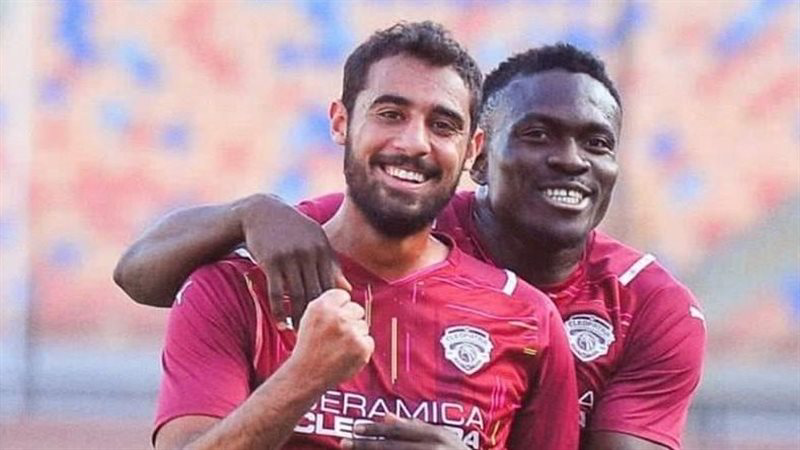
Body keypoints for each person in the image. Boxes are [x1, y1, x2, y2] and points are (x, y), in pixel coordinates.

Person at [115, 43, 706, 449]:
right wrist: (249, 212)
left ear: (466, 146)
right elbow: (139, 275)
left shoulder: (644, 307)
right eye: (536, 134)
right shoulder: (400, 211)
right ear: (481, 157)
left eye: (597, 143)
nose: (570, 160)